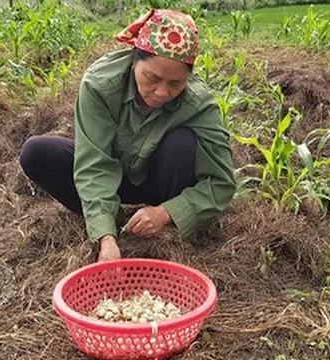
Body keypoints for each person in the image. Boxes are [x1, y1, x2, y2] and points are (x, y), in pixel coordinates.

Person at [19, 9, 236, 262]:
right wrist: (106, 237)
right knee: (37, 153)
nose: (162, 92)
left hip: (161, 186)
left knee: (183, 144)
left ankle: (158, 224)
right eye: (152, 78)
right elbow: (94, 164)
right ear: (134, 60)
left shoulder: (199, 103)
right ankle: (111, 218)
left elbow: (221, 183)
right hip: (113, 177)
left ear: (189, 77)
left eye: (175, 84)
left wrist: (166, 213)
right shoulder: (100, 85)